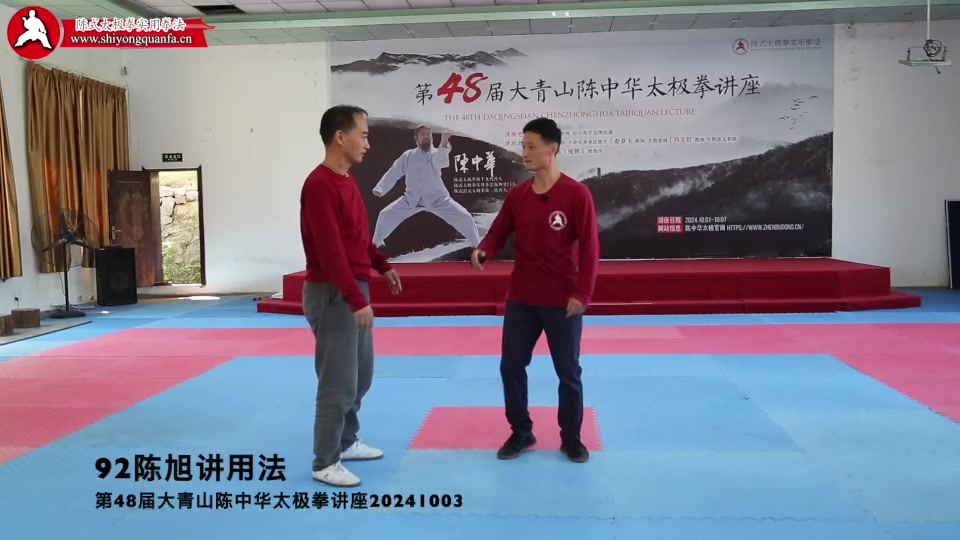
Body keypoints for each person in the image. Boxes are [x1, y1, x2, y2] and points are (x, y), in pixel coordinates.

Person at [471, 117, 599, 464]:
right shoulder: (518, 196)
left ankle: (571, 438)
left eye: (531, 146)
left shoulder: (576, 194)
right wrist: (484, 250)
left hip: (562, 300)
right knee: (510, 366)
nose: (524, 152)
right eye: (523, 145)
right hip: (522, 298)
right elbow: (498, 232)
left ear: (552, 149)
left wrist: (583, 295)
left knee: (568, 372)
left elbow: (590, 249)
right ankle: (521, 431)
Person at [300, 104, 403, 487]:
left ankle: (346, 440)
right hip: (333, 291)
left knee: (361, 375)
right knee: (338, 380)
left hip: (353, 285)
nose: (367, 143)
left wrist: (382, 264)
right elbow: (330, 252)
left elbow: (357, 238)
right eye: (363, 135)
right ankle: (324, 461)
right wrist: (356, 299)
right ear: (340, 137)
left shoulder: (346, 180)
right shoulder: (320, 185)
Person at [371, 125, 481, 248]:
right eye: (422, 134)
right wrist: (380, 188)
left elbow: (441, 161)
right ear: (416, 138)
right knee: (385, 215)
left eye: (428, 134)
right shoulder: (408, 155)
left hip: (437, 198)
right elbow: (394, 171)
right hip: (410, 199)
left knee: (465, 216)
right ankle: (376, 244)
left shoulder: (435, 153)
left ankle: (478, 245)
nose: (426, 137)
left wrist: (444, 141)